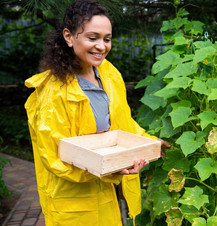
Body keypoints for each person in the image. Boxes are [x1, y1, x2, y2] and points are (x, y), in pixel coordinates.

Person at [24, 0, 170, 225]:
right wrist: (113, 167)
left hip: (106, 192)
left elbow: (122, 123)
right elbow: (54, 157)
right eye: (93, 38)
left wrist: (148, 142)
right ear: (69, 36)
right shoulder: (54, 92)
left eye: (107, 39)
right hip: (74, 200)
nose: (102, 46)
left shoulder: (108, 73)